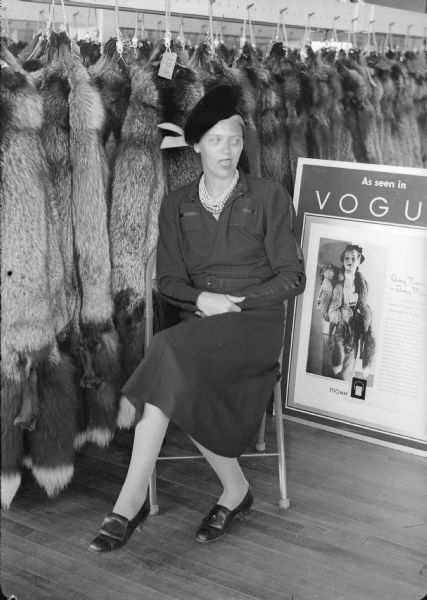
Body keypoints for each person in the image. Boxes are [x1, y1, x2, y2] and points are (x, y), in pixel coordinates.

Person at [88, 85, 306, 553]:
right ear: (196, 147)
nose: (227, 150)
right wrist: (204, 299)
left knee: (168, 353)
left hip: (255, 327)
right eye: (215, 141)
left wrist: (239, 301)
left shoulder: (269, 196)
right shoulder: (177, 204)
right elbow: (168, 281)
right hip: (203, 329)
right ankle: (234, 490)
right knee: (177, 367)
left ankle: (129, 503)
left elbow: (293, 278)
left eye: (234, 139)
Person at [316, 244, 375, 382]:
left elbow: (362, 304)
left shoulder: (362, 282)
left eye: (353, 258)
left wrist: (363, 314)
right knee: (332, 373)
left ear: (359, 260)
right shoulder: (334, 278)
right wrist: (335, 316)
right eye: (346, 258)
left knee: (346, 374)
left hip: (353, 330)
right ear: (342, 261)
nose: (349, 261)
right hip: (336, 327)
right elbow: (323, 304)